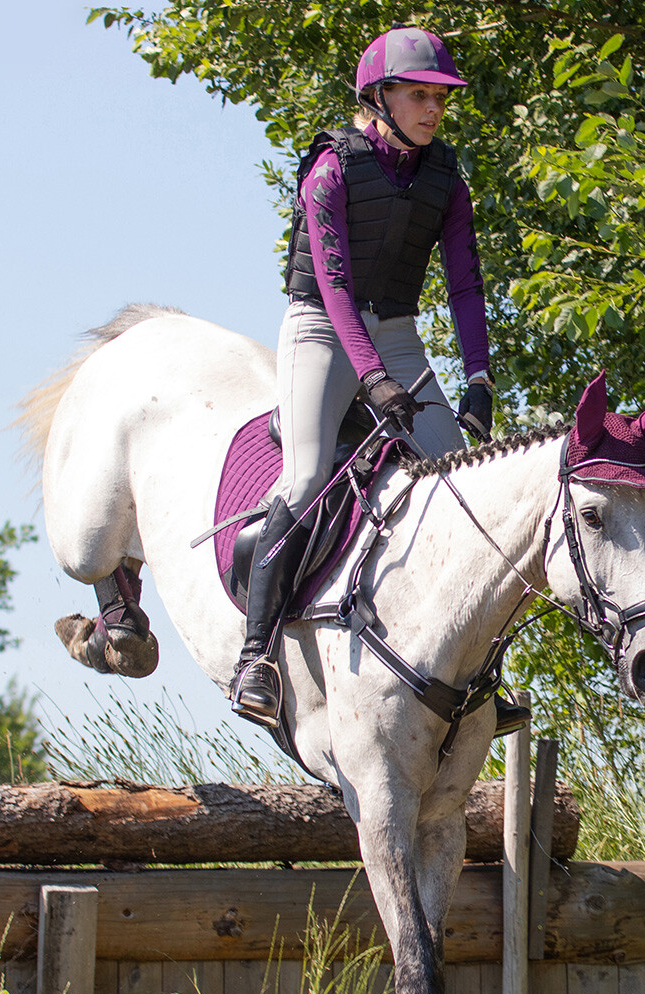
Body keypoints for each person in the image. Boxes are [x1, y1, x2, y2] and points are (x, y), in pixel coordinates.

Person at [229, 25, 528, 735]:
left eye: (439, 98)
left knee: (460, 484)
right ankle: (257, 657)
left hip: (395, 333)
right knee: (304, 483)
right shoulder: (330, 170)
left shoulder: (445, 180)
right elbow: (332, 288)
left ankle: (488, 677)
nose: (433, 109)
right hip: (319, 331)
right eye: (420, 95)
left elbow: (465, 287)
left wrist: (478, 380)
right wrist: (372, 381)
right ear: (379, 95)